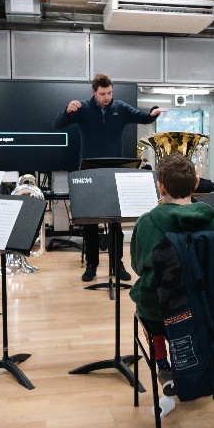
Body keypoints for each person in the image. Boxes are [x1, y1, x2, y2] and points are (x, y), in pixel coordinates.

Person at [129, 154, 214, 413]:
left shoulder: (147, 221)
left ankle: (164, 367)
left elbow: (138, 266)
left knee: (147, 301)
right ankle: (196, 361)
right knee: (185, 310)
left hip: (160, 311)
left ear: (160, 186)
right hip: (203, 308)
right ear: (196, 183)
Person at [54, 73, 168, 282]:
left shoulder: (120, 108)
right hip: (89, 171)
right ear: (94, 92)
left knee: (116, 220)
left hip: (114, 171)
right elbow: (58, 124)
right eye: (103, 93)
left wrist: (154, 113)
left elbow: (143, 117)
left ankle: (118, 264)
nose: (107, 97)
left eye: (110, 93)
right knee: (90, 221)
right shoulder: (83, 109)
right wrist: (66, 111)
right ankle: (91, 265)